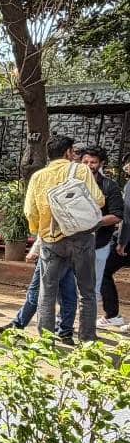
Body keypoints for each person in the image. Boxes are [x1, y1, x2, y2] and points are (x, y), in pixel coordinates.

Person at [24, 135, 104, 342]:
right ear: (68, 152)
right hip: (81, 237)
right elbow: (98, 200)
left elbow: (30, 211)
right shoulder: (80, 170)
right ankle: (87, 340)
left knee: (47, 292)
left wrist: (41, 231)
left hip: (51, 240)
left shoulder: (38, 176)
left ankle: (46, 340)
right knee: (87, 292)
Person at [0, 237, 78, 345]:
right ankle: (65, 332)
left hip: (51, 252)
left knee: (37, 294)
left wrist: (35, 250)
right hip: (70, 252)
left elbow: (45, 231)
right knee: (68, 296)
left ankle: (18, 326)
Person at [81, 146, 125, 327]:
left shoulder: (109, 186)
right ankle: (65, 322)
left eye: (93, 162)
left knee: (94, 287)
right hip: (73, 243)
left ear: (101, 164)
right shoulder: (72, 183)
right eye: (85, 161)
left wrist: (93, 222)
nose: (89, 165)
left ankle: (87, 327)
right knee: (68, 285)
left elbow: (117, 215)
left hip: (98, 244)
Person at [99, 155, 130, 329]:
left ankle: (112, 314)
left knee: (103, 270)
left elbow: (127, 217)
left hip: (127, 240)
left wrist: (121, 241)